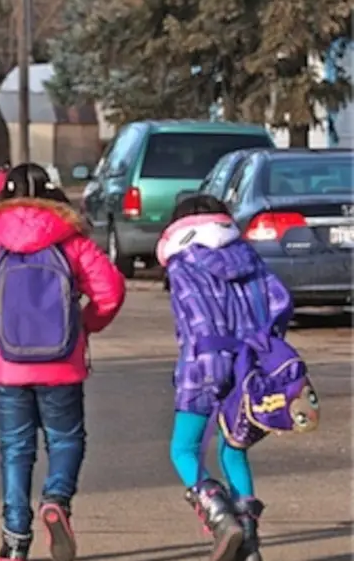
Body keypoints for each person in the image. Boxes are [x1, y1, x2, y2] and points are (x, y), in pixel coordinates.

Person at [0, 163, 126, 561]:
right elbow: (110, 291)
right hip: (62, 361)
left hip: (7, 364)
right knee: (65, 439)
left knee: (15, 448)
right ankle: (56, 499)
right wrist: (83, 327)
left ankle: (13, 540)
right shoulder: (71, 239)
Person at [158, 195, 295, 561]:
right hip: (252, 368)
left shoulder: (182, 264)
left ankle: (220, 518)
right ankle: (249, 547)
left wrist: (204, 360)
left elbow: (193, 319)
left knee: (184, 449)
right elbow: (282, 302)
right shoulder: (252, 260)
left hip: (204, 365)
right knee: (233, 448)